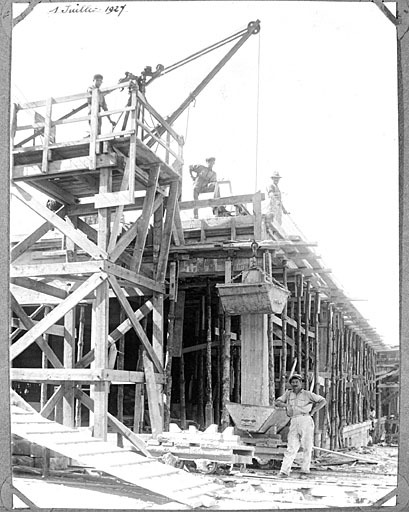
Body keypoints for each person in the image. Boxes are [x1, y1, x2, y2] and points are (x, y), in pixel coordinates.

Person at [274, 373, 327, 477]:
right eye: (293, 382)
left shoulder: (307, 394)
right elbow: (277, 402)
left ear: (301, 383)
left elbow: (322, 401)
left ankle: (305, 470)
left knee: (307, 446)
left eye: (297, 382)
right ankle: (284, 471)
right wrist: (286, 405)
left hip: (305, 419)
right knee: (291, 447)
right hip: (293, 420)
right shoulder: (288, 394)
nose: (295, 384)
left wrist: (313, 411)